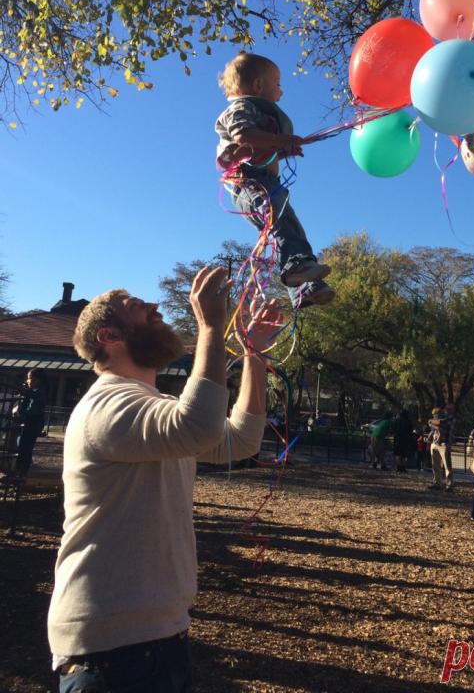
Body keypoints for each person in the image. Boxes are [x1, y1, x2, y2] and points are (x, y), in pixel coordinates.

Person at [47, 265, 277, 692]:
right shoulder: (105, 406)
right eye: (135, 307)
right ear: (109, 337)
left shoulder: (155, 406)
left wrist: (253, 353)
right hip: (108, 655)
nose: (154, 306)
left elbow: (238, 442)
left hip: (162, 640)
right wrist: (210, 326)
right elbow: (198, 427)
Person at [215, 52, 335, 310]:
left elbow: (260, 148)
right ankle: (298, 267)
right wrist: (283, 141)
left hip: (261, 183)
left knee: (284, 226)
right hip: (249, 183)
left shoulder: (255, 111)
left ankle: (303, 289)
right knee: (280, 217)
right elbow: (243, 135)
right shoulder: (241, 108)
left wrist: (283, 149)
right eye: (277, 84)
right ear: (259, 85)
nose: (281, 91)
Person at [15, 368, 49, 476]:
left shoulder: (40, 392)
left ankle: (22, 470)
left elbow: (34, 405)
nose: (29, 382)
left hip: (33, 422)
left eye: (32, 380)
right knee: (22, 445)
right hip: (30, 421)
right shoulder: (33, 391)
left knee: (25, 447)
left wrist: (27, 393)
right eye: (29, 379)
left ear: (39, 381)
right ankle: (20, 469)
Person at [428, 404, 455, 491]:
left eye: (448, 409)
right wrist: (433, 424)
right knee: (435, 465)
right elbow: (436, 426)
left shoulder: (451, 419)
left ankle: (449, 484)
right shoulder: (441, 417)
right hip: (435, 443)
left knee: (447, 465)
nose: (446, 410)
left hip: (444, 444)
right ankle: (437, 483)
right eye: (446, 408)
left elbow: (441, 423)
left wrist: (431, 422)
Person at [392, 408, 414, 473]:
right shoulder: (409, 421)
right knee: (404, 454)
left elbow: (393, 429)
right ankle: (403, 467)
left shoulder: (397, 421)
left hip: (397, 438)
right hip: (406, 439)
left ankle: (398, 467)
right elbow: (411, 431)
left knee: (398, 454)